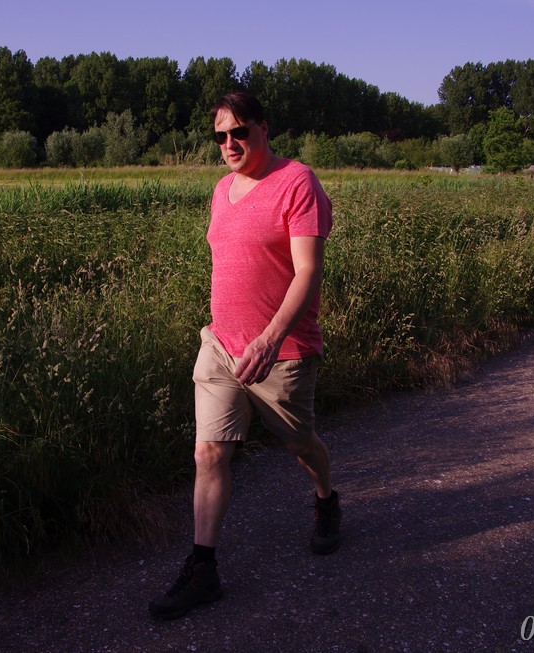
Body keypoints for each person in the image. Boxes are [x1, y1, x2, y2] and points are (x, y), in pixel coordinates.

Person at [148, 91, 340, 620]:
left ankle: (326, 499)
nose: (229, 144)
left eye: (239, 132)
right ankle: (203, 569)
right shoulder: (221, 189)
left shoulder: (297, 182)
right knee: (209, 453)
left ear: (263, 129)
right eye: (220, 136)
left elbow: (308, 271)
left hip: (281, 351)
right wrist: (228, 331)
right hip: (221, 346)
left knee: (301, 444)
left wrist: (270, 338)